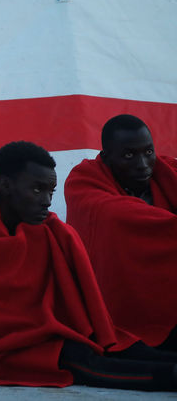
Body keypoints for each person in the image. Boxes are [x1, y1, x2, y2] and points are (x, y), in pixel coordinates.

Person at [0, 141, 177, 390]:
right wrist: (41, 332)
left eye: (51, 191)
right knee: (75, 358)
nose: (47, 202)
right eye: (37, 189)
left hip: (33, 334)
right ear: (5, 185)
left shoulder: (42, 228)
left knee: (115, 343)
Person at [65, 114, 177, 350]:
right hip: (122, 308)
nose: (143, 164)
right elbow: (115, 216)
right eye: (129, 155)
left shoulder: (167, 172)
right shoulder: (83, 181)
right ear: (106, 158)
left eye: (148, 152)